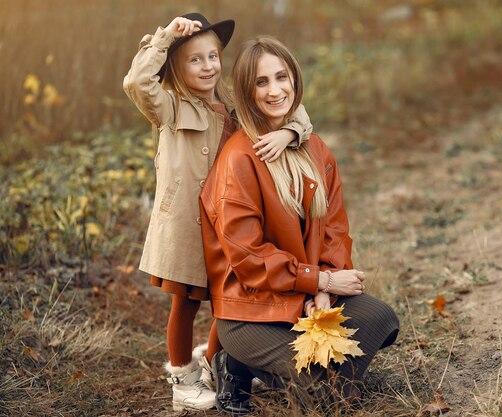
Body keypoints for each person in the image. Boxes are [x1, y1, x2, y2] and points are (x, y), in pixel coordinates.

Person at [199, 35, 399, 415]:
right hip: (251, 310)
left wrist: (325, 286)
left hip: (304, 295)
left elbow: (335, 228)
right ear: (247, 90)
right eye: (262, 82)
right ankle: (237, 363)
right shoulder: (239, 158)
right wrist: (318, 280)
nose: (275, 90)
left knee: (380, 319)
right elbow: (248, 257)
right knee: (327, 399)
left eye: (281, 77)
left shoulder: (315, 148)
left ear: (294, 78)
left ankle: (319, 377)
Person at [123, 13, 312, 412]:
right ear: (176, 65)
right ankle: (181, 377)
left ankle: (212, 364)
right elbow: (136, 82)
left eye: (213, 56)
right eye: (195, 59)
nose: (208, 66)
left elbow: (291, 108)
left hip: (226, 223)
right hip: (186, 226)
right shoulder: (168, 107)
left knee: (229, 299)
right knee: (187, 303)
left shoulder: (230, 104)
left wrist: (288, 132)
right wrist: (166, 38)